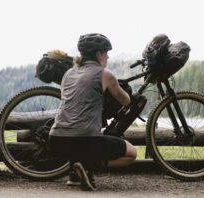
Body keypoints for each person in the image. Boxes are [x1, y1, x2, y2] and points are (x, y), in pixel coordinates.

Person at [48, 33, 137, 191]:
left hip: (56, 141)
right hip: (85, 141)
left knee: (80, 143)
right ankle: (89, 166)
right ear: (98, 54)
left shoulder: (69, 73)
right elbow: (125, 100)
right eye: (106, 52)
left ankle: (75, 174)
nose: (108, 57)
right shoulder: (105, 75)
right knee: (131, 153)